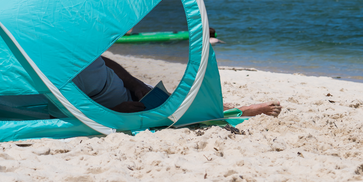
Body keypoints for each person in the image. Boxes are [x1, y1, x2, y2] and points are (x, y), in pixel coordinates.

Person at [74, 55, 281, 117]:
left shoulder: (78, 48)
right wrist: (114, 110)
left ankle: (229, 107)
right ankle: (245, 111)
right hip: (124, 110)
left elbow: (106, 63)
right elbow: (64, 108)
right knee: (190, 112)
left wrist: (135, 83)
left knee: (182, 99)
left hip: (135, 92)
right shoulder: (55, 75)